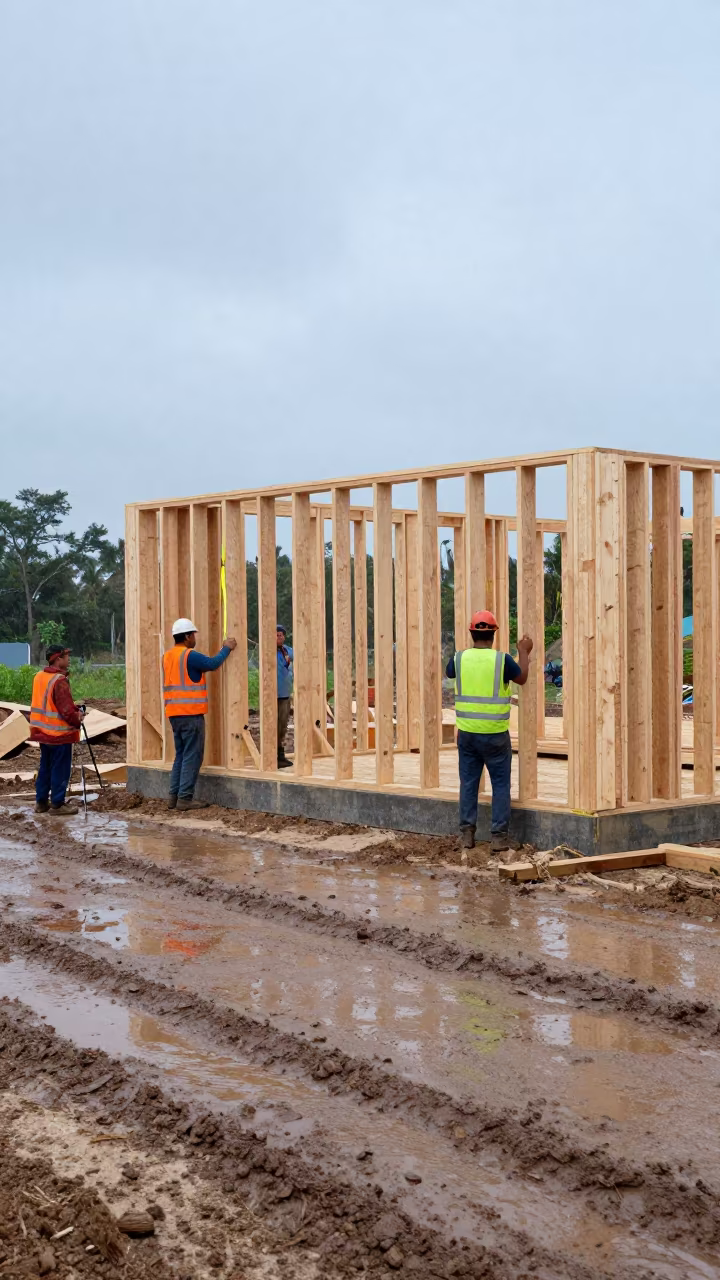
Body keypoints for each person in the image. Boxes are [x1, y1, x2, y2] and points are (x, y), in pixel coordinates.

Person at [446, 610, 533, 854]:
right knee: (500, 785)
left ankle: (467, 835)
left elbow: (449, 672)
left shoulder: (459, 658)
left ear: (471, 633)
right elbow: (522, 678)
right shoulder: (502, 660)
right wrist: (524, 652)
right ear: (493, 634)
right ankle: (498, 838)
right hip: (495, 735)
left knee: (469, 783)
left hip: (467, 734)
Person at [162, 618, 236, 810]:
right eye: (193, 635)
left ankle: (173, 797)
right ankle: (185, 799)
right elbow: (212, 664)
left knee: (181, 755)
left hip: (174, 714)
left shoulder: (167, 656)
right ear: (187, 636)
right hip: (190, 714)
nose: (195, 638)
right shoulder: (189, 655)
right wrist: (226, 648)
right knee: (192, 756)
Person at [29, 644, 86, 815]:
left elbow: (49, 704)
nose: (69, 659)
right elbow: (66, 711)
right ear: (58, 659)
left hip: (43, 732)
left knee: (45, 767)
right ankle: (58, 804)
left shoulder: (39, 677)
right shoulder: (59, 681)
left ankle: (41, 802)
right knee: (60, 769)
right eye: (66, 656)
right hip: (59, 734)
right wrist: (78, 717)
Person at [276, 624, 293, 768]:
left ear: (284, 637)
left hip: (285, 695)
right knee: (271, 725)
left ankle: (280, 755)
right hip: (271, 696)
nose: (278, 637)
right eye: (275, 635)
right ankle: (271, 755)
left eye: (280, 635)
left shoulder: (287, 651)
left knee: (282, 726)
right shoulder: (267, 651)